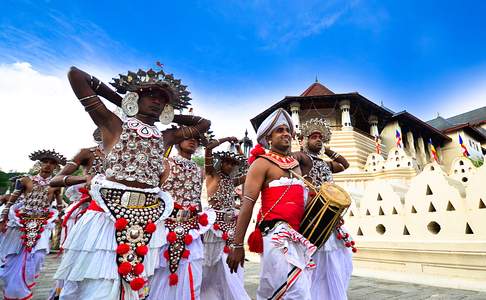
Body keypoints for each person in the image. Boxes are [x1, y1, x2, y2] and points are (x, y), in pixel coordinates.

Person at [53, 66, 210, 299]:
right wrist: (123, 100)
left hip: (147, 217)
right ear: (136, 97)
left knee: (136, 284)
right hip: (108, 214)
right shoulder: (113, 123)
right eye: (151, 97)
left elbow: (202, 122)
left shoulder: (165, 136)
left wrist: (168, 115)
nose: (157, 102)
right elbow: (76, 75)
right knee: (100, 284)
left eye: (163, 101)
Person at [227, 108, 316, 300]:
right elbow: (247, 205)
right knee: (296, 292)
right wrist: (237, 245)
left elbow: (303, 199)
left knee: (278, 290)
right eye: (279, 130)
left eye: (287, 130)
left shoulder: (296, 165)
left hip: (298, 236)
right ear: (268, 139)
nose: (286, 133)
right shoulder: (261, 164)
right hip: (275, 235)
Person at [293, 117, 355, 300]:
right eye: (313, 137)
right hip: (314, 217)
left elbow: (345, 165)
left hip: (332, 218)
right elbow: (287, 159)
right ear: (304, 140)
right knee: (317, 265)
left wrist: (325, 149)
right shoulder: (301, 157)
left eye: (321, 137)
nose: (318, 139)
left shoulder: (325, 162)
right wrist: (301, 145)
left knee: (339, 262)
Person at [148, 135, 215, 299]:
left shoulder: (199, 170)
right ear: (177, 141)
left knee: (192, 275)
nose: (193, 141)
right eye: (187, 138)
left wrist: (201, 230)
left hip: (192, 230)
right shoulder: (165, 163)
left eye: (196, 139)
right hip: (164, 229)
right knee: (159, 276)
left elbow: (197, 200)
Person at [47, 129, 106, 299]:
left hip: (118, 215)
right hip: (87, 212)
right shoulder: (87, 153)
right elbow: (56, 180)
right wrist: (86, 179)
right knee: (80, 262)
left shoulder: (129, 153)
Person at [0, 150, 66, 300]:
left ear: (55, 167)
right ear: (40, 163)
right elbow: (12, 200)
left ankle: (25, 284)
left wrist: (63, 219)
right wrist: (4, 217)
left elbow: (60, 204)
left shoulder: (56, 184)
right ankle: (14, 289)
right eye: (45, 162)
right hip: (20, 223)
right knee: (13, 256)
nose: (48, 165)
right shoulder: (25, 180)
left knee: (38, 257)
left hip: (42, 224)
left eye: (52, 163)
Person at [200, 137, 250, 300]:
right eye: (226, 162)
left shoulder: (232, 180)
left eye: (232, 163)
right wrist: (227, 139)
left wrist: (239, 148)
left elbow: (249, 172)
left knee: (229, 264)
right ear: (220, 162)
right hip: (214, 226)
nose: (229, 166)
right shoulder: (212, 174)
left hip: (231, 227)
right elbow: (208, 150)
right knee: (209, 265)